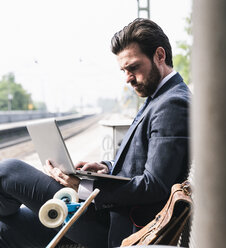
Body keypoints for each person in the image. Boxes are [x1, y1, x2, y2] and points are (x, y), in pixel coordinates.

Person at [0, 18, 191, 248]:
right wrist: (106, 169)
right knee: (6, 229)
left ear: (159, 56)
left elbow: (155, 185)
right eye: (124, 70)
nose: (128, 78)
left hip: (115, 225)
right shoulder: (159, 98)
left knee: (9, 171)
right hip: (107, 213)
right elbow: (142, 165)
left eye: (133, 67)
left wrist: (82, 187)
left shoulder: (173, 103)